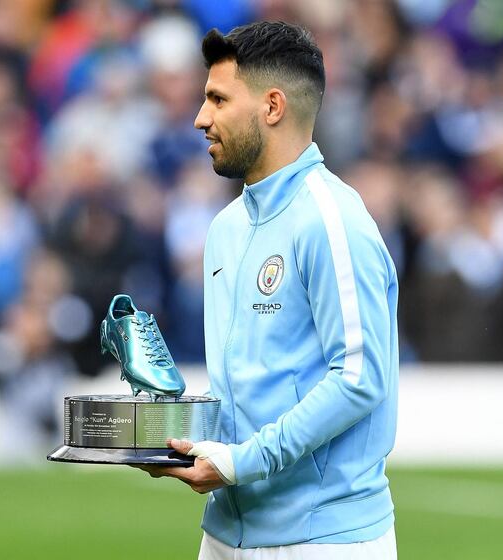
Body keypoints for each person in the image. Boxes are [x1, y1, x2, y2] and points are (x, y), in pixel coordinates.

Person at [139, 21, 399, 559]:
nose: (200, 118)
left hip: (322, 540)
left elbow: (358, 378)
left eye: (217, 98)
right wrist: (170, 435)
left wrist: (240, 462)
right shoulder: (226, 228)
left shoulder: (332, 220)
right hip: (226, 532)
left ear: (273, 106)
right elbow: (247, 387)